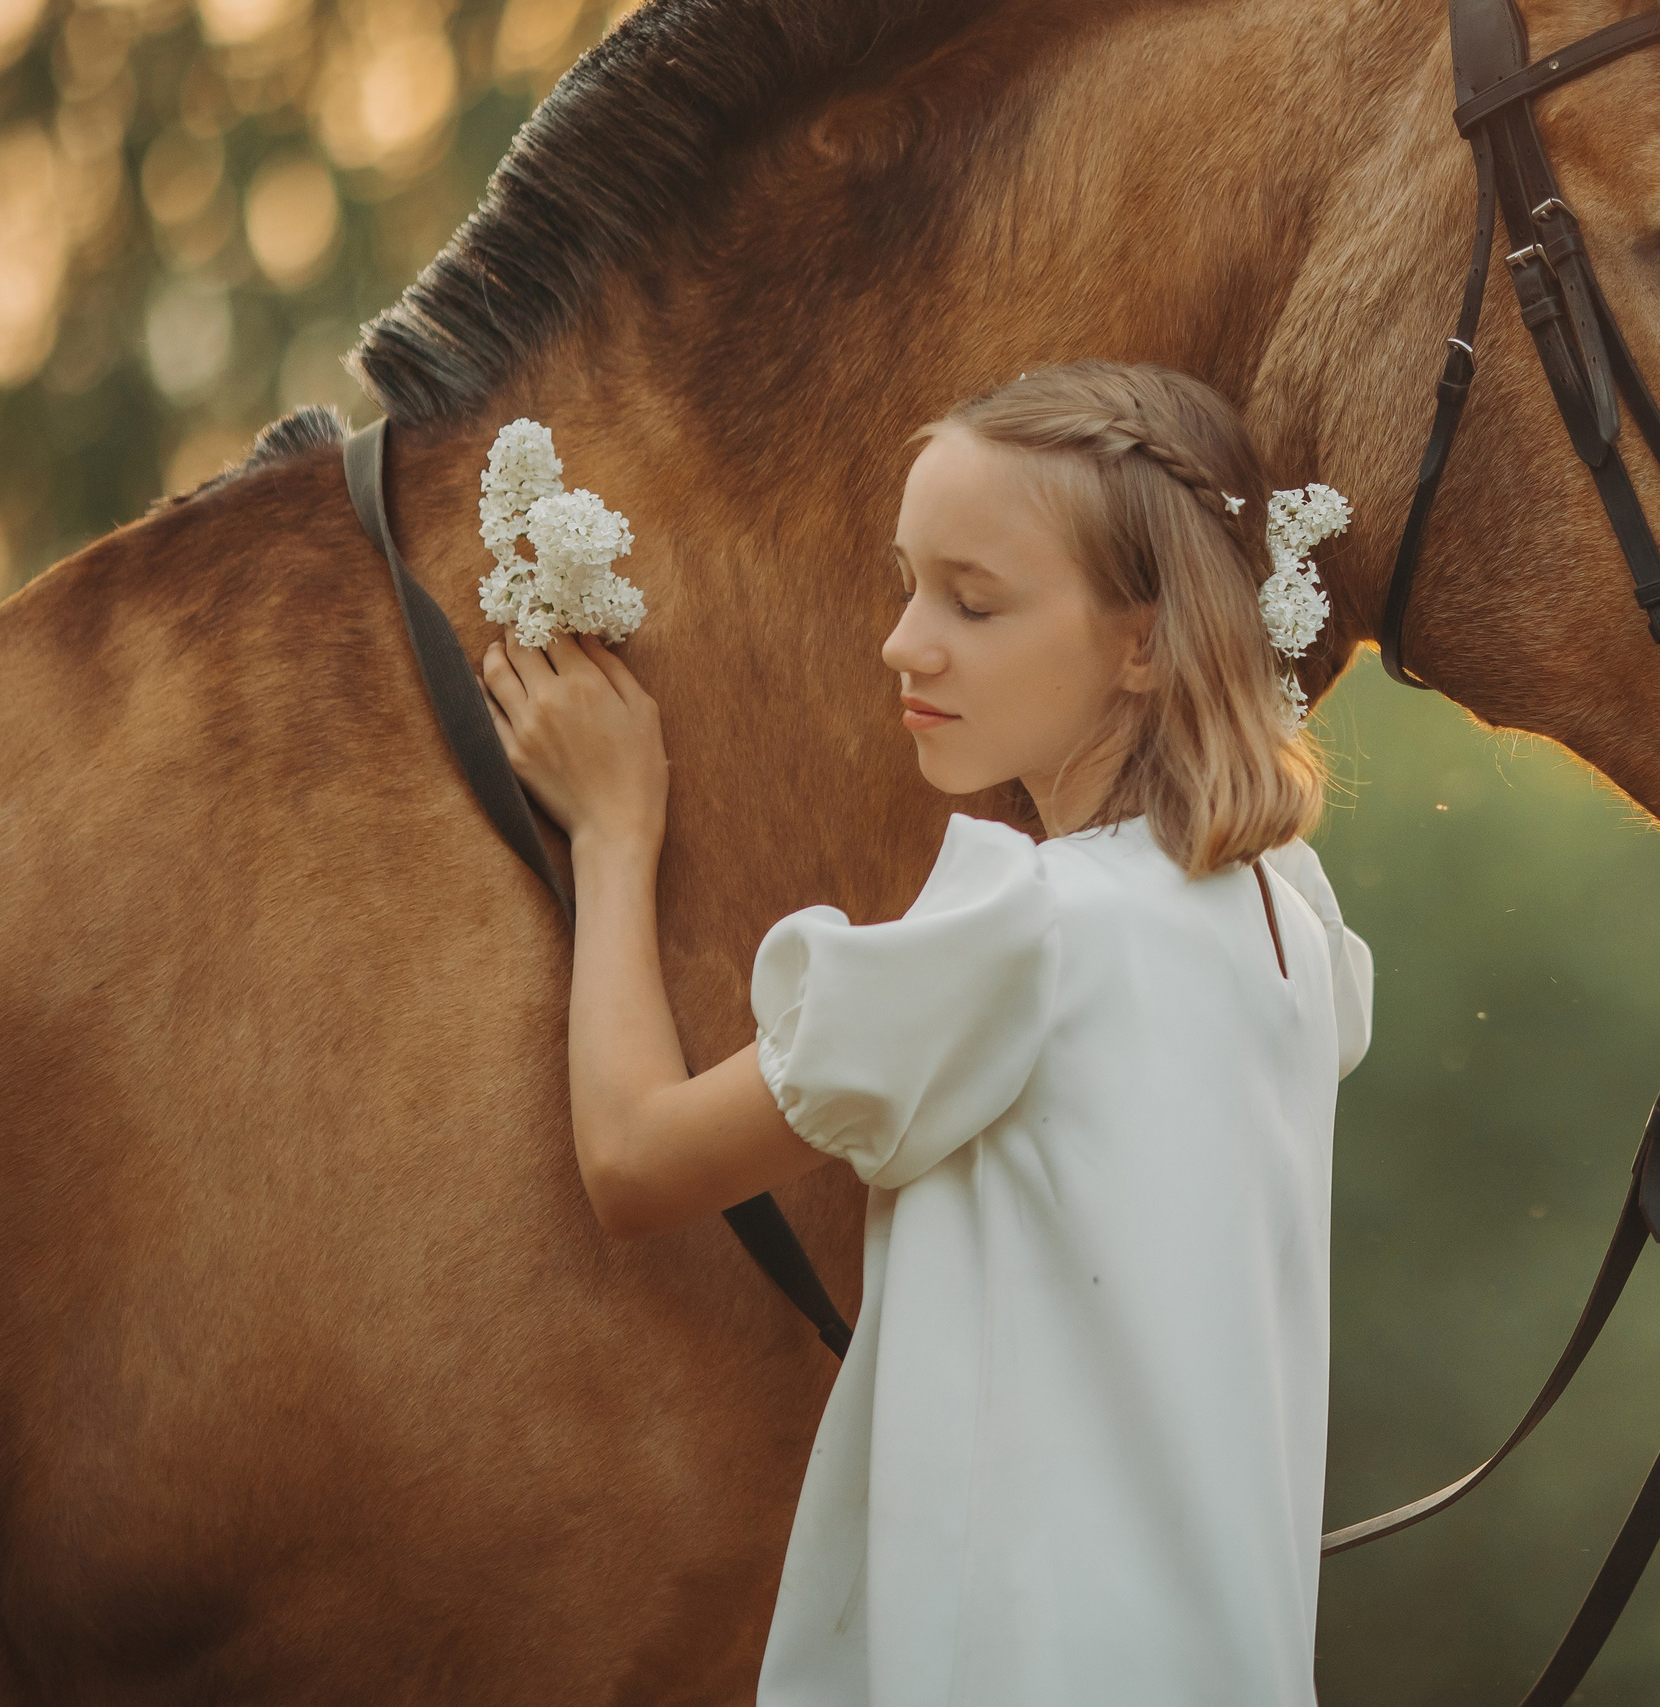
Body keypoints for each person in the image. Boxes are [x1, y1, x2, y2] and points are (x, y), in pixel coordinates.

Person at [476, 360, 1373, 1706]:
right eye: (909, 585)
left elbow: (635, 1160)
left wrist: (614, 831)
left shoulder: (1024, 932)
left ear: (1144, 642)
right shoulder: (1290, 929)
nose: (905, 642)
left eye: (974, 601)